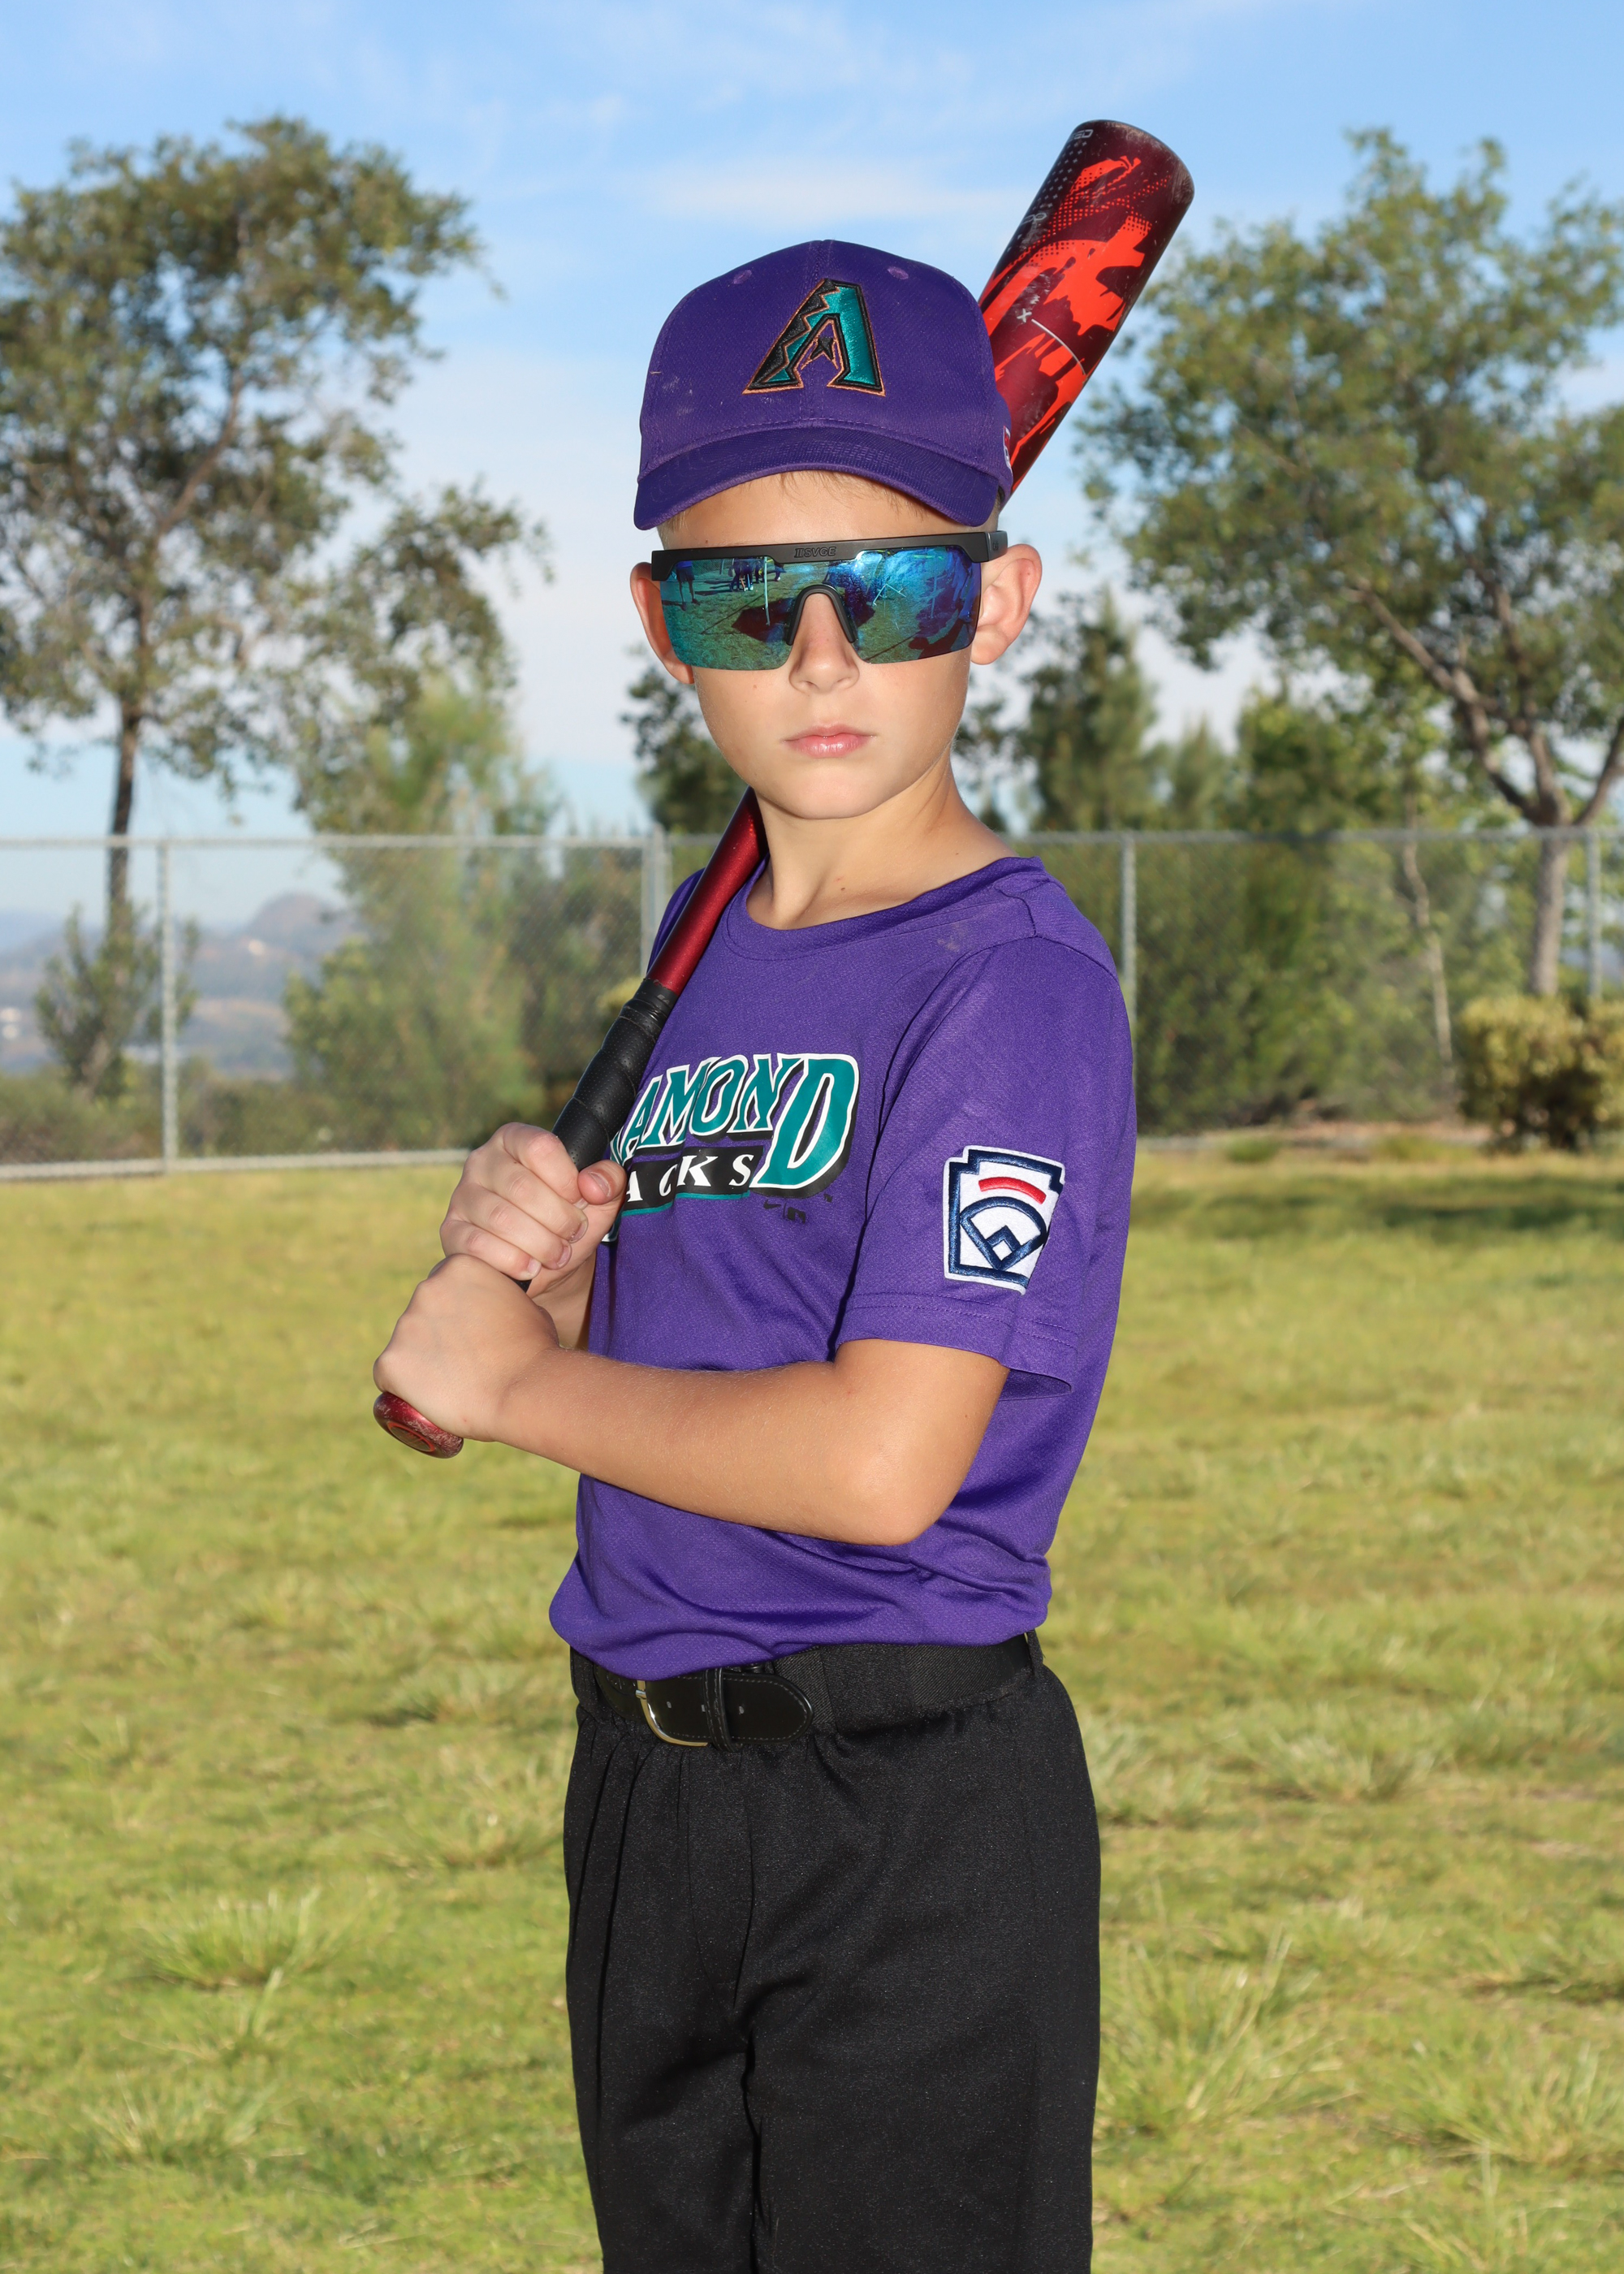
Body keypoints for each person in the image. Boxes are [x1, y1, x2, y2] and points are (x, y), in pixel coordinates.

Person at [374, 238, 1135, 2273]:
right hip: (647, 1791)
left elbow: (883, 1462)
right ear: (660, 625)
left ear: (996, 602)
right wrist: (557, 1279)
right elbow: (710, 1317)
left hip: (900, 1816)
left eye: (887, 592)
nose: (816, 660)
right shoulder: (703, 952)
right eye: (744, 599)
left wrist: (523, 1385)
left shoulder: (1009, 983)